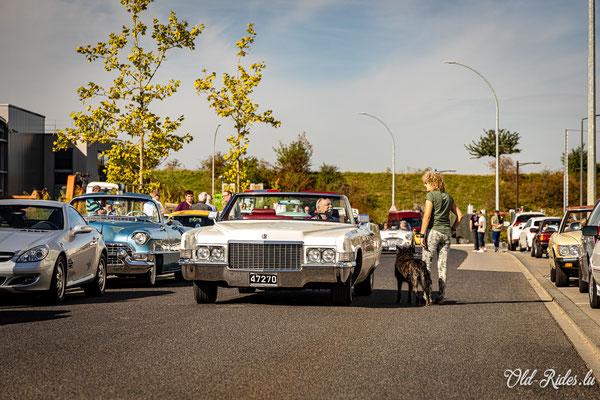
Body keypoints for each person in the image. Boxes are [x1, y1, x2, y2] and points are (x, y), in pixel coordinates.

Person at [420, 171, 463, 305]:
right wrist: (453, 229)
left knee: (426, 264)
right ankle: (441, 296)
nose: (425, 186)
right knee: (442, 265)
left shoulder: (431, 195)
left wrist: (422, 235)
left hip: (433, 232)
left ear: (431, 182)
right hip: (446, 234)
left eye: (426, 183)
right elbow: (460, 216)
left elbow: (427, 216)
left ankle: (427, 295)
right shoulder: (448, 197)